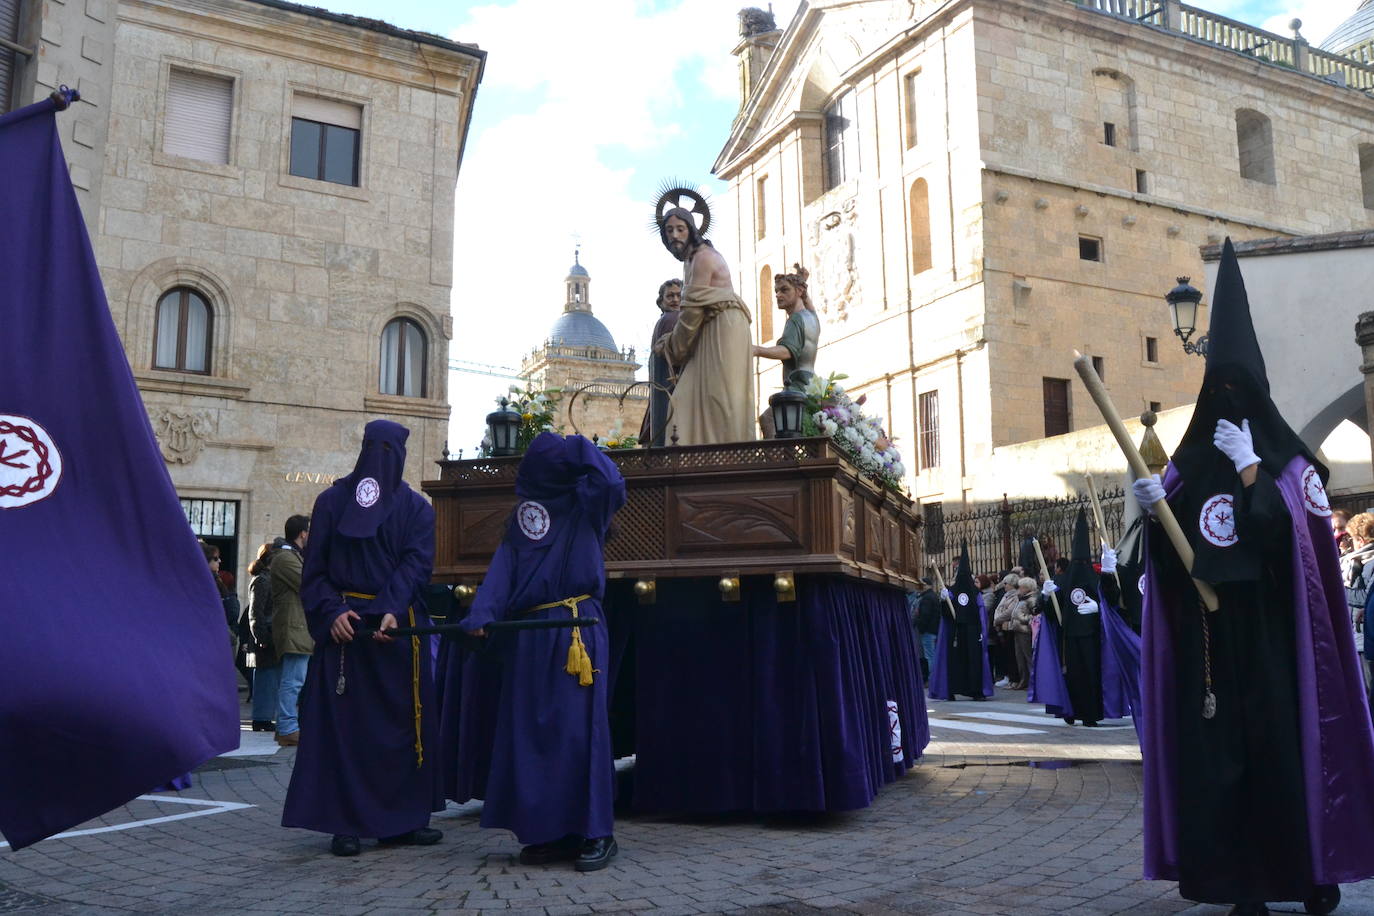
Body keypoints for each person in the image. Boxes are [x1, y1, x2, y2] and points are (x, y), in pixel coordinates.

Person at [1135, 240, 1374, 914]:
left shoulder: (1291, 470)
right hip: (1213, 650)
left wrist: (1253, 476)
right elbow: (1172, 555)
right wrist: (1153, 512)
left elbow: (1292, 545)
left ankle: (1308, 876)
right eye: (1222, 389)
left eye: (1242, 389)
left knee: (1286, 762)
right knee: (1223, 770)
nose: (1231, 402)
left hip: (1279, 648)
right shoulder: (1190, 466)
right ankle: (1240, 884)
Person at [452, 432, 626, 871]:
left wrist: (578, 447)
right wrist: (480, 617)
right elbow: (504, 567)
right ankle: (550, 831)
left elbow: (611, 481)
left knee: (578, 733)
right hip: (531, 636)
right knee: (534, 735)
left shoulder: (588, 501)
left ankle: (595, 832)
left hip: (575, 634)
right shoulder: (523, 517)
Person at [281, 420, 443, 857]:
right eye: (376, 447)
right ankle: (345, 822)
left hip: (395, 634)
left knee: (399, 730)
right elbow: (314, 572)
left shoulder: (417, 510)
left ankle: (403, 820)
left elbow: (415, 565)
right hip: (346, 636)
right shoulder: (332, 502)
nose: (382, 457)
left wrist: (389, 608)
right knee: (345, 732)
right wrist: (333, 612)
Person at [655, 192, 755, 445]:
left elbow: (690, 316)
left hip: (724, 327)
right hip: (708, 330)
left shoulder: (703, 258)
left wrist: (670, 347)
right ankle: (699, 457)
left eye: (680, 228)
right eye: (669, 230)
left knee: (720, 398)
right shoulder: (689, 262)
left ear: (691, 230)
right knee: (687, 399)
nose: (674, 235)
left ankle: (727, 458)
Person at [1041, 511, 1104, 727]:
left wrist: (1099, 608)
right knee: (1071, 676)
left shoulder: (1097, 580)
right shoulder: (1063, 581)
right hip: (1068, 638)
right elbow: (1050, 612)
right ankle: (1070, 710)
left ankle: (1090, 714)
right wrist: (1046, 596)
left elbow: (1113, 605)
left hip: (1092, 637)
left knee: (1091, 675)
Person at [753, 265, 821, 419]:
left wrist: (756, 350)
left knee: (768, 420)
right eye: (776, 291)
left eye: (784, 290)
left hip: (797, 384)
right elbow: (806, 300)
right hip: (811, 383)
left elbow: (787, 351)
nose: (778, 295)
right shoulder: (811, 316)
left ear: (798, 291)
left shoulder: (795, 320)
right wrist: (801, 283)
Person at [928, 544, 992, 701]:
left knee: (974, 662)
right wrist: (944, 600)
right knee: (953, 663)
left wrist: (982, 633)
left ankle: (976, 691)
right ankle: (951, 689)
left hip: (972, 632)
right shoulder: (951, 591)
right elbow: (947, 614)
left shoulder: (976, 593)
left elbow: (981, 613)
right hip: (955, 634)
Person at [270, 514, 311, 749]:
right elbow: (307, 583)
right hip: (294, 628)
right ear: (303, 533)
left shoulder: (292, 555)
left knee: (296, 679)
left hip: (299, 628)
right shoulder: (285, 558)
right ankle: (286, 728)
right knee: (292, 680)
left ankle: (289, 726)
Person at [639, 279, 683, 447]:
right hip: (670, 388)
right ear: (662, 301)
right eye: (670, 296)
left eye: (679, 295)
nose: (675, 300)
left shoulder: (664, 320)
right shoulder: (673, 318)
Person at [245, 542, 280, 732]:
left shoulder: (268, 579)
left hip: (268, 634)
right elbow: (255, 612)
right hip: (264, 636)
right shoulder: (262, 580)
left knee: (270, 678)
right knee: (265, 678)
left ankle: (264, 717)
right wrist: (261, 636)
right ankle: (261, 718)